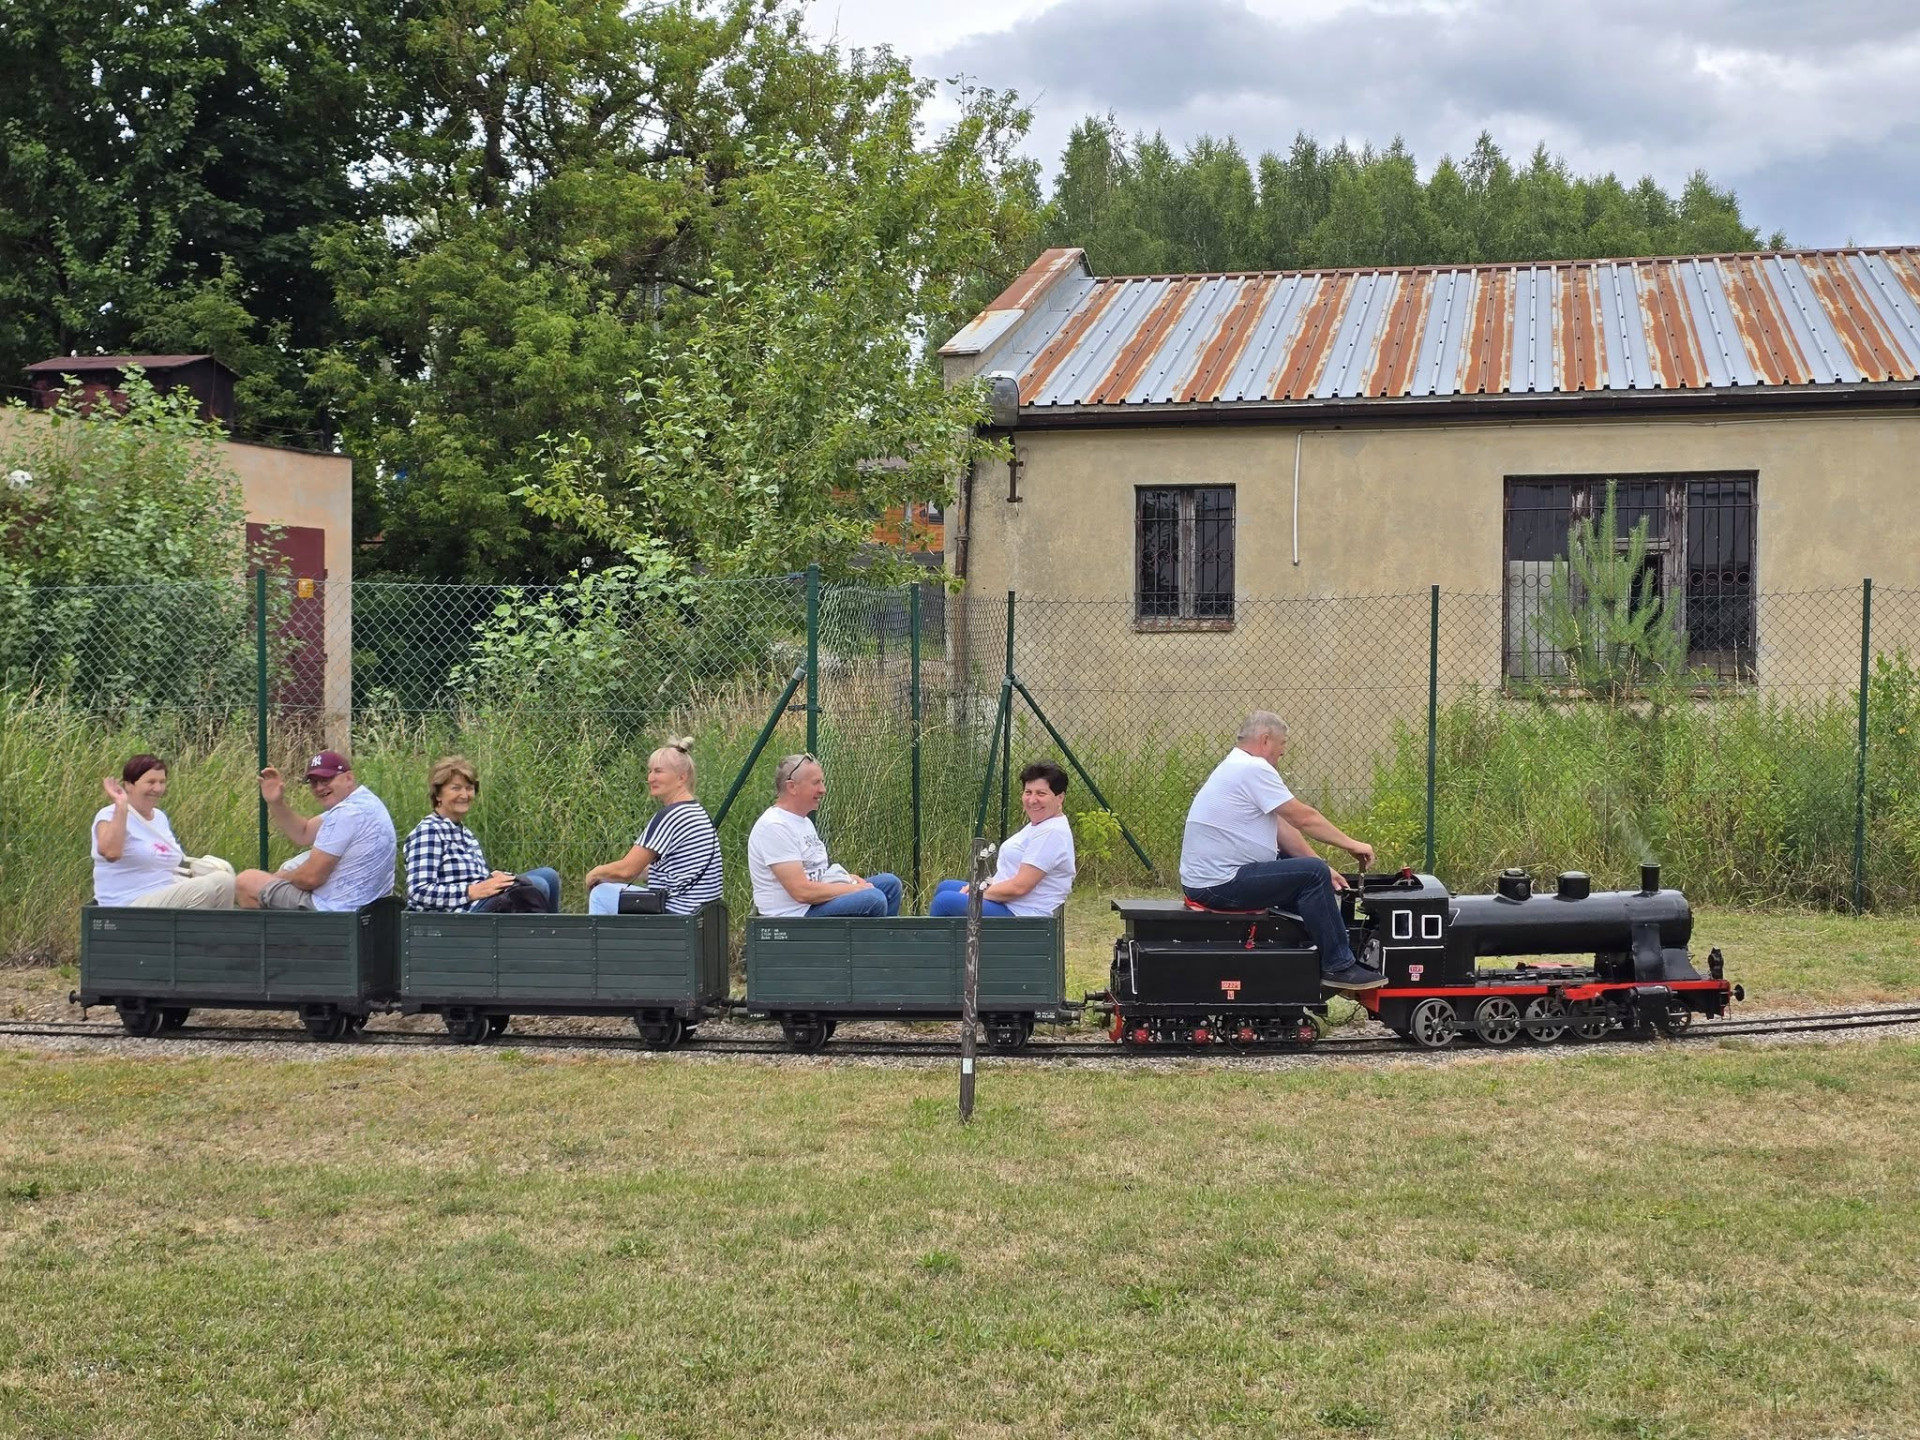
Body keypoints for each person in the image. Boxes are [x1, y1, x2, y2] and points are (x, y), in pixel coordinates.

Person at [1179, 711, 1386, 991]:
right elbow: (1304, 818)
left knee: (1312, 871)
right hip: (1219, 884)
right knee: (1311, 874)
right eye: (1282, 743)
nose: (1283, 752)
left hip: (1211, 880)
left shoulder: (1236, 765)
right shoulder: (1253, 769)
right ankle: (1339, 966)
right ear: (1266, 740)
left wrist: (1323, 867)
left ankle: (1307, 950)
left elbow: (1283, 828)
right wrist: (1353, 844)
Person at [234, 750, 397, 911]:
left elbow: (310, 878)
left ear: (348, 778)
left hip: (334, 911)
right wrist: (276, 802)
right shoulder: (366, 802)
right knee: (289, 868)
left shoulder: (346, 813)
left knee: (246, 882)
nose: (319, 787)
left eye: (326, 779)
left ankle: (278, 929)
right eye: (314, 782)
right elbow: (304, 833)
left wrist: (281, 877)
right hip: (370, 909)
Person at [747, 753, 902, 918]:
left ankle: (887, 935)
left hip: (813, 904)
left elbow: (815, 872)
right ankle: (872, 936)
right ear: (792, 787)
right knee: (873, 899)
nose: (823, 790)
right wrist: (851, 889)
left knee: (889, 884)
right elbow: (801, 892)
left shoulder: (804, 821)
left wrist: (847, 879)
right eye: (816, 783)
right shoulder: (775, 827)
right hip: (795, 915)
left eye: (822, 782)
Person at [404, 755, 560, 912]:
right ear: (438, 794)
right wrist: (471, 891)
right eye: (456, 788)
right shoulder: (429, 831)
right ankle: (543, 927)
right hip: (458, 913)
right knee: (537, 885)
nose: (464, 795)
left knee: (549, 876)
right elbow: (418, 892)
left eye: (469, 788)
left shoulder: (465, 834)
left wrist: (496, 877)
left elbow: (477, 880)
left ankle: (551, 927)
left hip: (480, 901)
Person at [586, 737, 723, 916]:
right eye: (650, 771)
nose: (650, 778)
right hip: (700, 911)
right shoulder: (696, 811)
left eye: (658, 771)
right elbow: (665, 871)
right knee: (609, 886)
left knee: (599, 894)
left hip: (677, 912)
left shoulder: (671, 816)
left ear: (681, 777)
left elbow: (627, 870)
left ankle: (598, 936)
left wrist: (596, 873)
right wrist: (610, 876)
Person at [930, 761, 1076, 917]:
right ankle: (949, 934)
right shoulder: (1041, 824)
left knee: (944, 901)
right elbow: (1012, 875)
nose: (1032, 800)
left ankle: (927, 934)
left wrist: (977, 892)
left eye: (1041, 794)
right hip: (1012, 903)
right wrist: (984, 886)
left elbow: (1020, 887)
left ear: (1060, 797)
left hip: (1022, 913)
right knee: (946, 887)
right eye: (1028, 792)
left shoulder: (1051, 833)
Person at [90, 754, 236, 909]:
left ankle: (219, 925)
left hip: (164, 893)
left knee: (225, 881)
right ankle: (192, 925)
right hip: (127, 901)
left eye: (162, 782)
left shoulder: (159, 817)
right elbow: (111, 853)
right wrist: (121, 805)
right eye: (151, 782)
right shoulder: (109, 815)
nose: (158, 789)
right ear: (129, 785)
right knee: (202, 889)